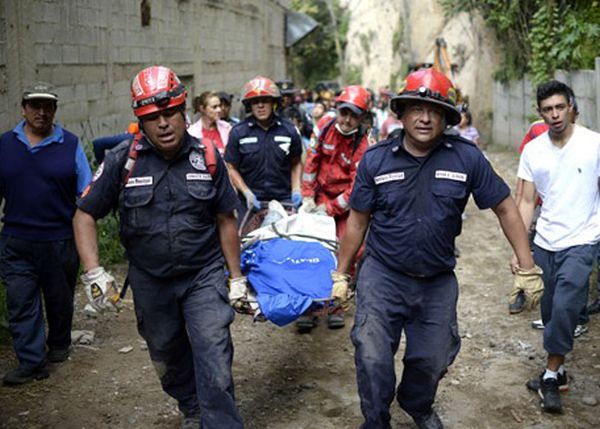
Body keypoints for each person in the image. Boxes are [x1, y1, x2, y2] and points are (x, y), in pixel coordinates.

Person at [331, 68, 541, 429]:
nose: (425, 117)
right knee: (372, 355)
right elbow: (357, 220)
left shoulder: (466, 157)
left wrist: (527, 266)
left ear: (446, 116)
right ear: (402, 112)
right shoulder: (377, 159)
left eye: (434, 109)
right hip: (382, 276)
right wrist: (341, 273)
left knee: (433, 358)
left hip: (437, 280)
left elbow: (505, 205)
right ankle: (376, 420)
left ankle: (417, 403)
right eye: (416, 108)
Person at [72, 66, 245, 428]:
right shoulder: (123, 160)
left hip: (203, 275)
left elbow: (226, 219)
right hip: (150, 280)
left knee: (213, 351)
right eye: (152, 117)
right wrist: (94, 272)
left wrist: (236, 278)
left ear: (184, 112)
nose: (163, 124)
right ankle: (193, 406)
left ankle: (219, 421)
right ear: (140, 120)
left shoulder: (208, 157)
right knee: (166, 353)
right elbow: (84, 214)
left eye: (169, 113)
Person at [516, 80, 600, 414]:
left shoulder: (594, 144)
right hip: (545, 241)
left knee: (566, 305)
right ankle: (560, 370)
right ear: (540, 113)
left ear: (572, 107)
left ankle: (550, 374)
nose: (554, 115)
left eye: (559, 107)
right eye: (547, 109)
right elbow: (524, 201)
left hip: (583, 239)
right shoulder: (533, 150)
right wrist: (519, 250)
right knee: (549, 309)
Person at [0, 82, 92, 385]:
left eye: (48, 106)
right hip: (16, 241)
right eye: (35, 105)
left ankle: (59, 344)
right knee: (20, 301)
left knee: (59, 301)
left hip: (59, 241)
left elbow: (87, 192)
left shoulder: (70, 143)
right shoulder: (5, 145)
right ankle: (31, 361)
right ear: (23, 108)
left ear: (55, 109)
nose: (41, 112)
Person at [298, 85, 371, 331]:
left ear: (362, 117)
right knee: (309, 250)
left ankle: (334, 306)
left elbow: (356, 188)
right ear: (336, 110)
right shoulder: (324, 126)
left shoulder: (363, 144)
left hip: (344, 203)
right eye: (343, 112)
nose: (347, 120)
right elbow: (311, 161)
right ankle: (308, 307)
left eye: (354, 115)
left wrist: (328, 209)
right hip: (319, 194)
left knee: (347, 251)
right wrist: (307, 197)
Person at [225, 76, 303, 222]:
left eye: (265, 100)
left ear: (274, 103)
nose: (260, 106)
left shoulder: (289, 130)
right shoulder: (238, 133)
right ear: (249, 106)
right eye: (255, 102)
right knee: (246, 242)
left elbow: (296, 163)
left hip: (283, 200)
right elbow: (231, 167)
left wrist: (296, 189)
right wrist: (246, 192)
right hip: (249, 202)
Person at [188, 91, 232, 156]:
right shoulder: (192, 132)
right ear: (202, 109)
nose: (219, 110)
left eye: (219, 106)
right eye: (214, 107)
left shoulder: (227, 128)